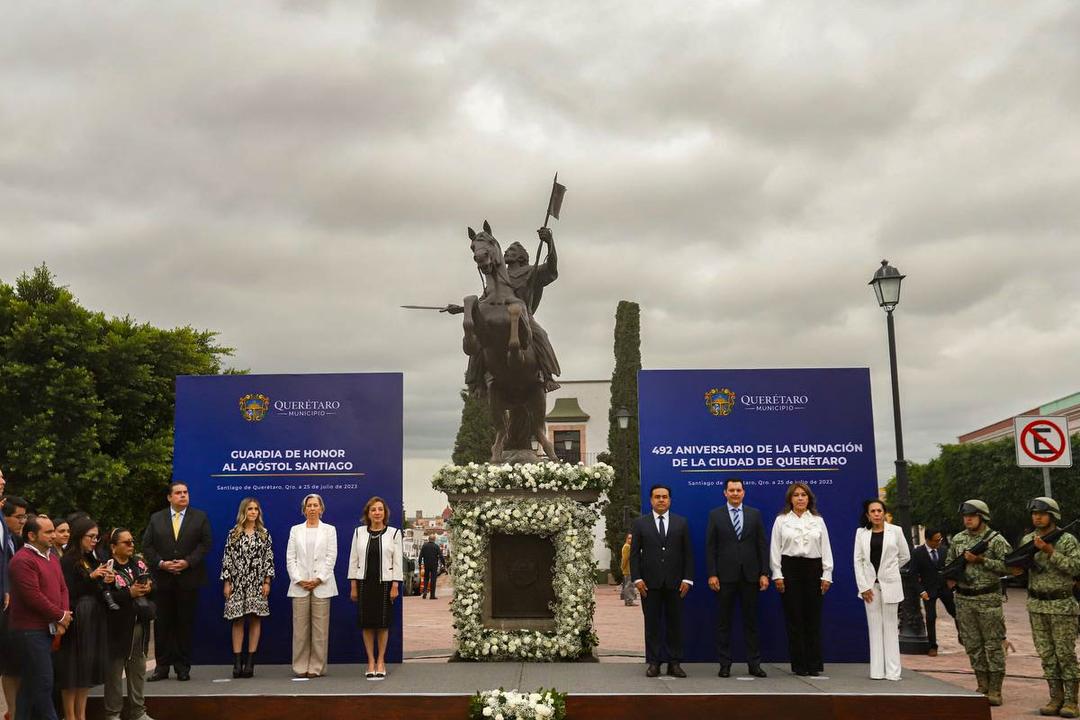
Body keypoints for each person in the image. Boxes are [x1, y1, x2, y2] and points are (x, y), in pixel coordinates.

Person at [1013, 497, 1080, 717]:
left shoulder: (1067, 540)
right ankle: (1055, 698)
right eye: (1034, 514)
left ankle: (1071, 701)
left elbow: (1075, 567)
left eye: (1042, 513)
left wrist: (1051, 552)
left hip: (1061, 605)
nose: (1037, 517)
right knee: (1047, 655)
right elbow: (1019, 568)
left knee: (1065, 655)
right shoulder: (1028, 539)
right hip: (1037, 605)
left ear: (1053, 515)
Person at [141, 481, 212, 682]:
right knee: (163, 624)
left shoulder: (199, 517)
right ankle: (161, 667)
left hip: (188, 580)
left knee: (184, 624)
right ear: (169, 497)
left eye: (186, 492)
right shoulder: (157, 518)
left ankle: (182, 667)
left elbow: (205, 544)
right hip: (163, 580)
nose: (183, 496)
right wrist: (161, 563)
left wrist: (187, 562)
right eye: (178, 493)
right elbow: (147, 546)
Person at [945, 499, 1012, 705]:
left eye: (972, 517)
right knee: (972, 645)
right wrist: (951, 577)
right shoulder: (958, 539)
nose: (968, 520)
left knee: (993, 645)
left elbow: (1011, 567)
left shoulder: (996, 540)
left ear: (982, 517)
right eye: (965, 517)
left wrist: (982, 561)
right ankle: (981, 684)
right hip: (964, 599)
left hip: (988, 599)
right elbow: (949, 563)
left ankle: (995, 689)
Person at [8, 515, 72, 720]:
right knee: (44, 682)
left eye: (54, 530)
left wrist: (63, 616)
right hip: (29, 630)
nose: (53, 535)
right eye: (48, 532)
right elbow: (32, 596)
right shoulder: (22, 560)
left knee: (29, 684)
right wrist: (60, 615)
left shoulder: (52, 556)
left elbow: (62, 588)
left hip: (47, 628)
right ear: (31, 535)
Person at [706, 478, 769, 678]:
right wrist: (712, 573)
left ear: (744, 492)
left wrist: (764, 573)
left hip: (750, 577)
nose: (735, 493)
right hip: (724, 578)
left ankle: (754, 664)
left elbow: (762, 546)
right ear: (725, 492)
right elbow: (711, 547)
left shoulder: (754, 514)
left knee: (751, 623)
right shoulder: (715, 515)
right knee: (724, 623)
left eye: (738, 490)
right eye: (731, 490)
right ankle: (724, 664)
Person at [629, 484, 693, 679]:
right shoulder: (640, 523)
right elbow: (634, 556)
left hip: (675, 584)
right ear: (651, 500)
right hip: (649, 584)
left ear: (670, 500)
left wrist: (687, 579)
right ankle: (654, 663)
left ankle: (675, 663)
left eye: (665, 496)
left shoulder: (681, 523)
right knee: (652, 625)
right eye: (657, 497)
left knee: (675, 624)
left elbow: (688, 554)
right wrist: (637, 579)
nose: (661, 500)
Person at [769, 482, 833, 677]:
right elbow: (775, 549)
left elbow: (826, 549)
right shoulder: (781, 520)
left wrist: (827, 574)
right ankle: (799, 665)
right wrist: (777, 574)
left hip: (813, 569)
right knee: (794, 619)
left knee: (812, 619)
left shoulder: (817, 520)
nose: (800, 498)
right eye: (796, 495)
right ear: (790, 498)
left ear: (809, 498)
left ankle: (814, 664)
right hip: (790, 570)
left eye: (803, 495)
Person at [56, 517, 113, 720]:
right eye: (91, 537)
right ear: (80, 536)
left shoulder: (92, 558)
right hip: (76, 620)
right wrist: (92, 578)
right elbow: (67, 591)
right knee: (72, 671)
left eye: (97, 537)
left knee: (85, 672)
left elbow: (99, 590)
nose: (94, 541)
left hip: (93, 618)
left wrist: (106, 580)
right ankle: (70, 716)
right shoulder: (67, 560)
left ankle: (81, 715)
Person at [853, 499, 909, 681]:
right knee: (874, 628)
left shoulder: (896, 532)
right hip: (870, 587)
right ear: (868, 515)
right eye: (873, 511)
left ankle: (893, 672)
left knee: (891, 628)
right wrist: (864, 586)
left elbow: (905, 556)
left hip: (891, 585)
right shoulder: (861, 534)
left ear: (884, 513)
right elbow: (858, 561)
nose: (877, 514)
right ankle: (877, 671)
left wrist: (890, 571)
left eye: (879, 510)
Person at [348, 497, 403, 680]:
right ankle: (370, 661)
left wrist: (395, 584)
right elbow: (353, 560)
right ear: (368, 513)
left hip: (385, 584)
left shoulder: (394, 533)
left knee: (382, 624)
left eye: (380, 509)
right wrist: (353, 585)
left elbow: (397, 562)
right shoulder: (359, 533)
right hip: (364, 583)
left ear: (385, 513)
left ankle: (381, 661)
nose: (377, 513)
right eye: (374, 510)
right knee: (367, 624)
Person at [102, 528, 154, 720]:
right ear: (114, 547)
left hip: (139, 624)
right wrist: (128, 594)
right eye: (126, 542)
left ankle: (138, 712)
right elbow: (104, 597)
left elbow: (152, 584)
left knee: (138, 671)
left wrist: (149, 586)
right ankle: (113, 714)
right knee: (114, 674)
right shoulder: (107, 568)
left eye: (132, 541)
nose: (132, 545)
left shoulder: (138, 563)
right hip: (117, 627)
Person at [221, 498, 274, 679]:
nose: (253, 512)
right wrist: (227, 582)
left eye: (256, 509)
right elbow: (227, 559)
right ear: (244, 511)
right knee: (237, 621)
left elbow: (268, 559)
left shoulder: (264, 534)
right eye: (250, 509)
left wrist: (267, 582)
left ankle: (250, 662)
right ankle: (237, 662)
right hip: (238, 583)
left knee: (255, 620)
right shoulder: (233, 533)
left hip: (257, 584)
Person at [286, 493, 337, 678]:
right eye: (309, 506)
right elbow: (290, 558)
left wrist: (318, 579)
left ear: (321, 509)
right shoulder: (295, 530)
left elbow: (331, 558)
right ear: (304, 509)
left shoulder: (330, 530)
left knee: (320, 630)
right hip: (299, 586)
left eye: (316, 505)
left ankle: (316, 667)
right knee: (300, 631)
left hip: (321, 586)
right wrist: (299, 579)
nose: (312, 508)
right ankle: (300, 667)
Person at [912, 528, 956, 658]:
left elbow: (951, 567)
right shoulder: (917, 553)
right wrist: (921, 591)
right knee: (931, 617)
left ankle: (963, 636)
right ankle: (932, 646)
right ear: (928, 540)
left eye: (940, 539)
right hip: (928, 591)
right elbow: (912, 574)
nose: (939, 542)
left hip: (944, 588)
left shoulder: (943, 550)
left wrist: (952, 582)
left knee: (956, 612)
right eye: (936, 540)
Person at [418, 533, 442, 600]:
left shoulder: (424, 546)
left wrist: (419, 564)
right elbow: (441, 556)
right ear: (434, 539)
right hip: (434, 565)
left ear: (429, 539)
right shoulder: (436, 546)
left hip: (426, 564)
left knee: (426, 578)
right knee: (433, 580)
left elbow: (420, 556)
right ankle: (432, 595)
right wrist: (443, 563)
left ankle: (425, 591)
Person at [620, 532, 637, 606]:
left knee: (628, 585)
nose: (631, 540)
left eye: (632, 538)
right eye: (629, 538)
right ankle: (629, 601)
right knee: (629, 585)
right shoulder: (627, 547)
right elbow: (625, 558)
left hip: (629, 569)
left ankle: (628, 600)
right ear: (626, 539)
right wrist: (623, 567)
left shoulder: (629, 546)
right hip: (628, 569)